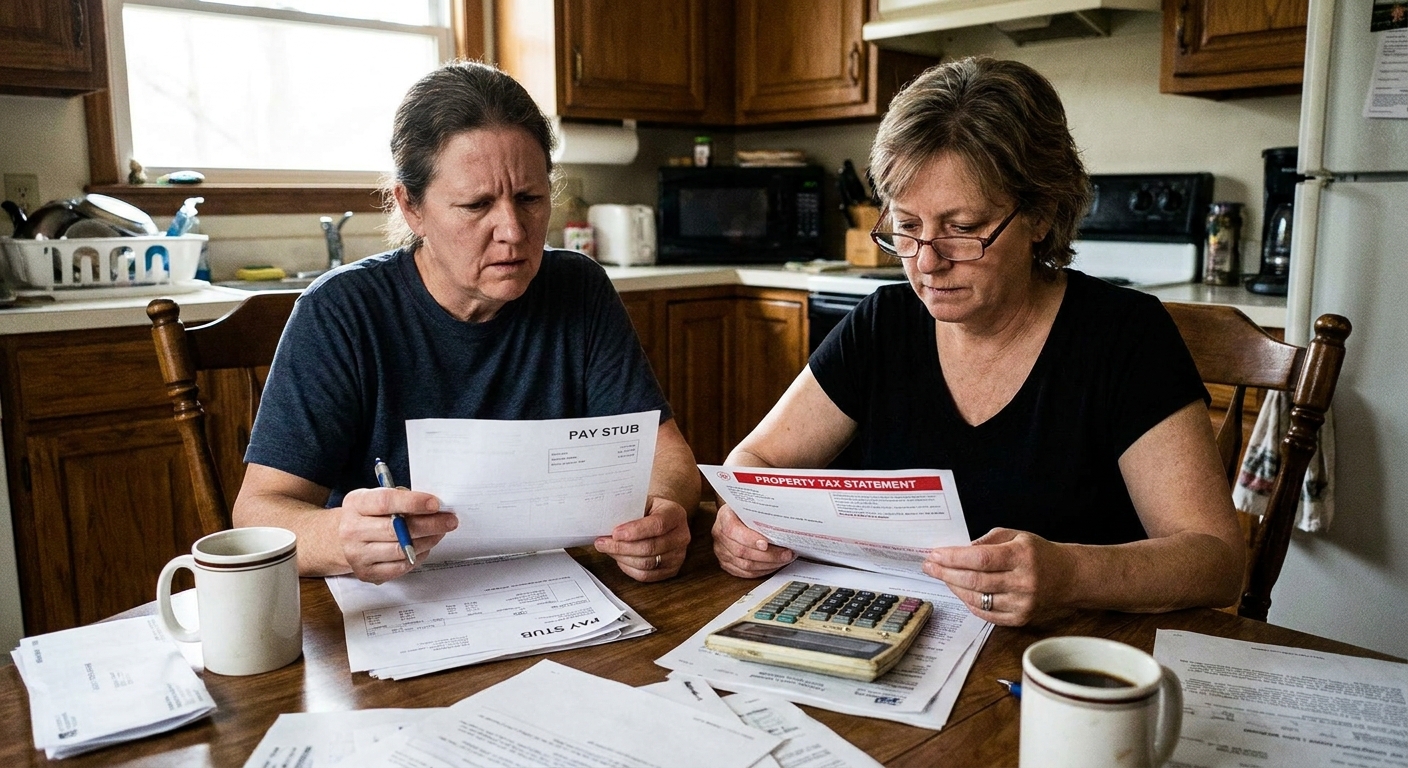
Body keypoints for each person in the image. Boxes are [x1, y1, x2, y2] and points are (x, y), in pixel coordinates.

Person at [712, 57, 1243, 626]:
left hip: (1065, 665)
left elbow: (1217, 561)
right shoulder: (883, 325)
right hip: (893, 636)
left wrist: (1071, 575)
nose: (927, 263)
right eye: (907, 227)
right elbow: (755, 462)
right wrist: (744, 521)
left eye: (963, 228)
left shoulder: (1124, 337)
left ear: (1040, 213)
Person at [234, 61, 699, 585]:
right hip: (396, 601)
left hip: (554, 588)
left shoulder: (579, 287)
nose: (513, 231)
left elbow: (667, 455)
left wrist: (663, 513)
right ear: (410, 207)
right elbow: (259, 512)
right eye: (477, 205)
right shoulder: (340, 312)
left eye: (530, 198)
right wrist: (338, 537)